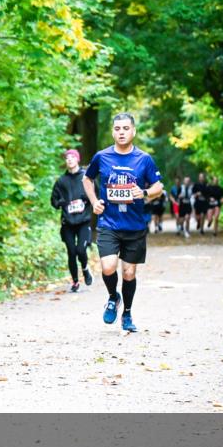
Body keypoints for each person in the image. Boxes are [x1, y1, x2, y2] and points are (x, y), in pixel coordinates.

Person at [82, 112, 164, 332]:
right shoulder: (102, 156)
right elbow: (87, 178)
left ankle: (127, 313)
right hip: (108, 223)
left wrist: (144, 193)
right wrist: (94, 202)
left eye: (126, 129)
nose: (121, 132)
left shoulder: (144, 159)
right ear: (113, 132)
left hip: (134, 226)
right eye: (117, 129)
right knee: (108, 267)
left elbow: (158, 186)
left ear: (133, 131)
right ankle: (113, 297)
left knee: (129, 273)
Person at [50, 149, 93, 292]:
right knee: (71, 252)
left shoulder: (86, 177)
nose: (69, 159)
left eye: (72, 157)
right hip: (67, 222)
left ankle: (85, 269)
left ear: (77, 159)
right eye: (67, 158)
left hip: (83, 221)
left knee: (81, 250)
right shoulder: (61, 181)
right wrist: (60, 203)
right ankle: (75, 282)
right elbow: (53, 201)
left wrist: (88, 199)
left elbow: (96, 195)